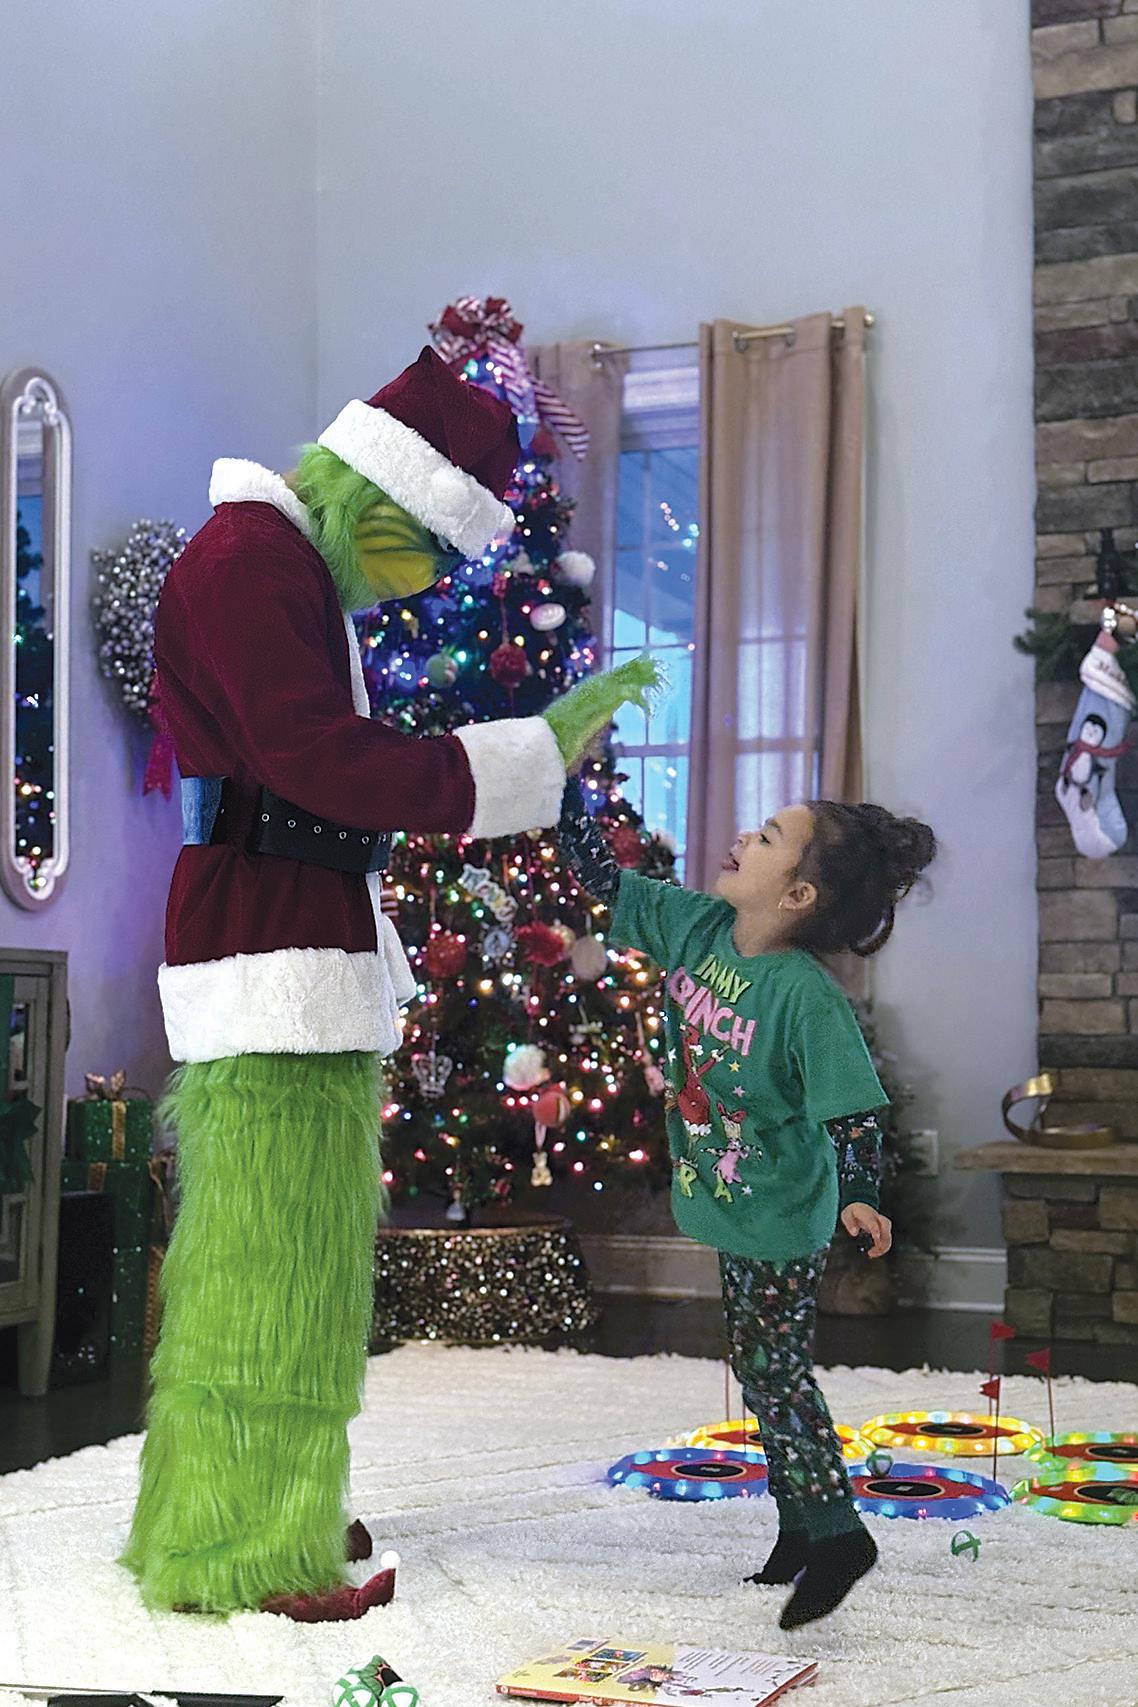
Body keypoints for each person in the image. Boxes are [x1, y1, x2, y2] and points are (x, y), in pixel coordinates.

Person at [122, 347, 656, 1620]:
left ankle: (239, 1513)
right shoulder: (254, 565)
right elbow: (319, 762)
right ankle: (243, 1546)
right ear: (385, 499)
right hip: (270, 945)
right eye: (423, 548)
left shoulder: (272, 564)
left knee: (271, 1258)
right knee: (277, 1267)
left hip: (284, 940)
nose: (422, 579)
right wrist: (526, 758)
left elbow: (306, 762)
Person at [558, 781, 936, 1629]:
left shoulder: (805, 997)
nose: (741, 837)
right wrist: (562, 785)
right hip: (729, 1194)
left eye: (766, 838)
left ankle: (838, 1534)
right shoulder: (694, 926)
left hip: (780, 1212)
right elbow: (601, 878)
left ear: (797, 894)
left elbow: (853, 1110)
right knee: (761, 1369)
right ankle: (799, 1526)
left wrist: (861, 1194)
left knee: (776, 1373)